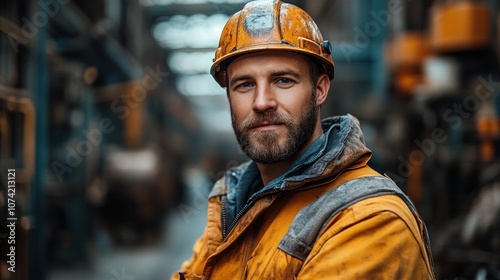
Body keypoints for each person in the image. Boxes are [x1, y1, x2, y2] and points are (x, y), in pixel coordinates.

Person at [172, 0, 436, 279]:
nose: (262, 102)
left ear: (320, 90)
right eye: (245, 84)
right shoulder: (234, 204)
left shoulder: (371, 220)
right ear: (229, 97)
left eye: (283, 80)